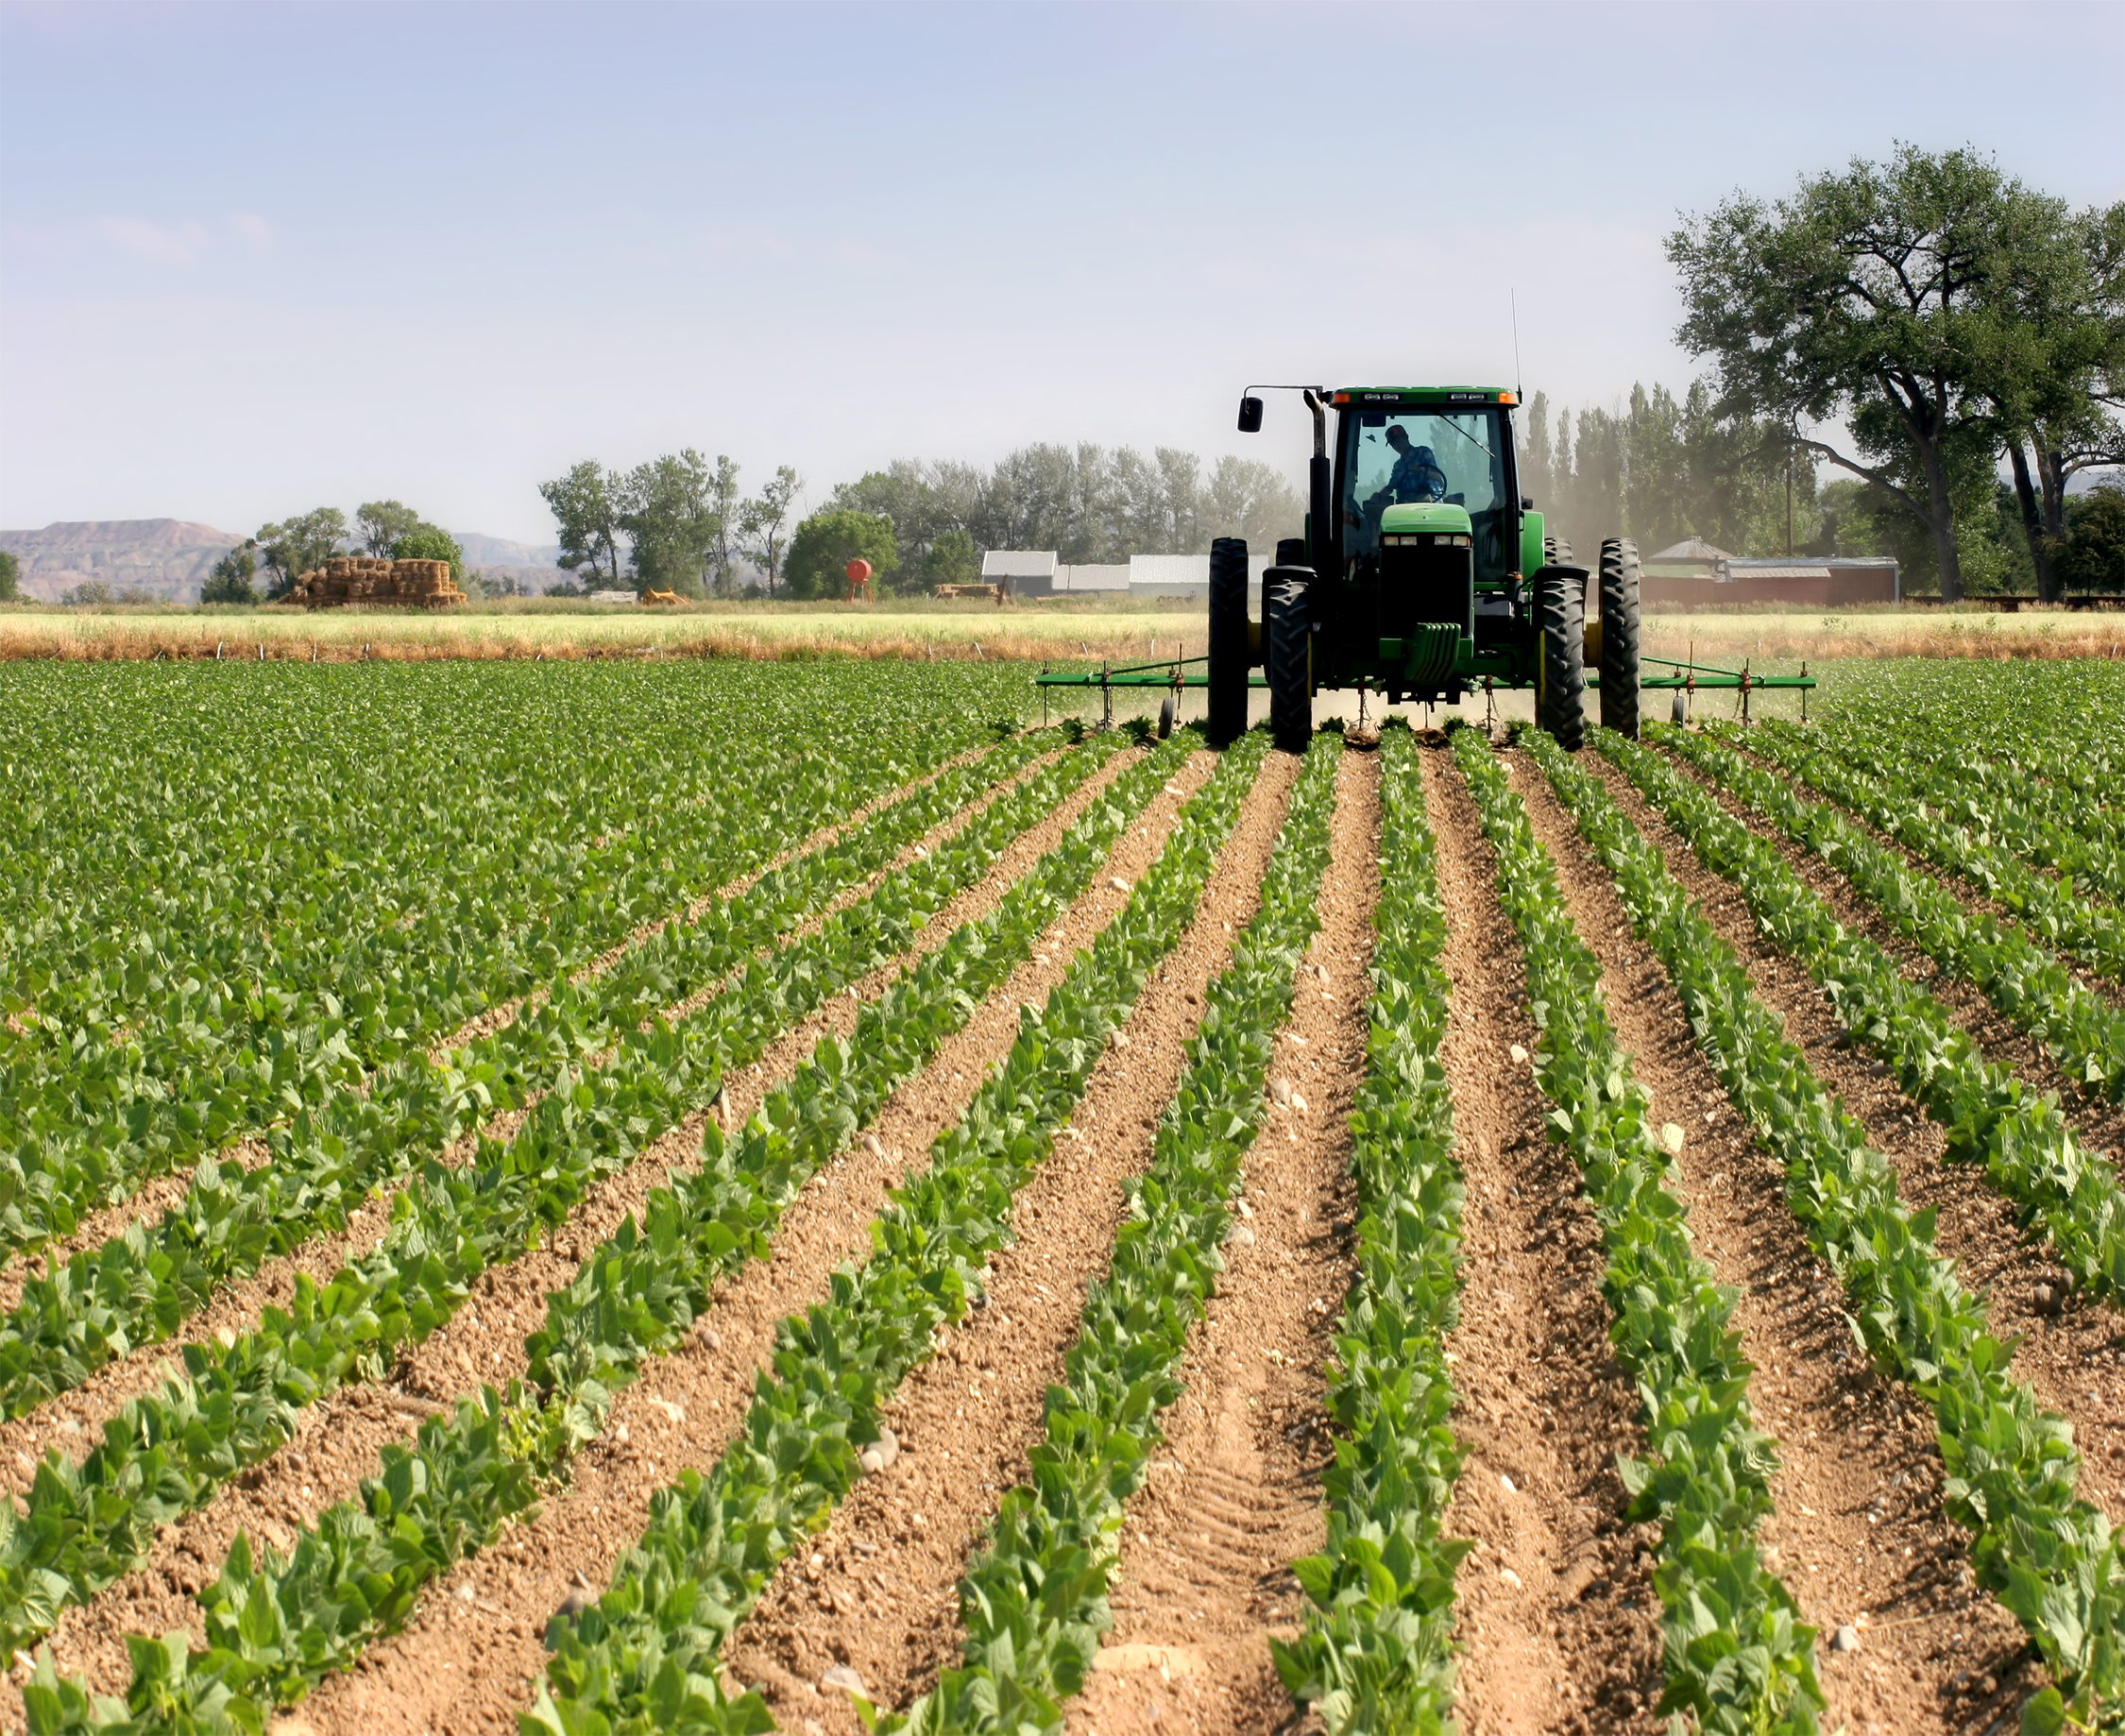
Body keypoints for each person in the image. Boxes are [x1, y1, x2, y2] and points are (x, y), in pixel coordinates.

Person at [1380, 426, 1449, 503]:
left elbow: (1438, 477)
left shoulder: (1423, 452)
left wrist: (1421, 469)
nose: (1396, 446)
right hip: (1409, 507)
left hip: (1432, 502)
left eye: (1397, 441)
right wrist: (1380, 495)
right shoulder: (1398, 466)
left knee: (1425, 498)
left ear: (1406, 437)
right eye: (1393, 444)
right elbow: (1392, 485)